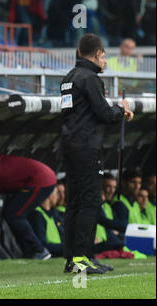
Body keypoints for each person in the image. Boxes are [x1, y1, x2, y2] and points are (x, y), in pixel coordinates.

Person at [60, 33, 134, 274]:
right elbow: (103, 113)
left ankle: (73, 259)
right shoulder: (90, 78)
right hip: (87, 148)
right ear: (98, 53)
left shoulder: (68, 78)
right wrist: (121, 110)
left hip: (69, 147)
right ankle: (83, 259)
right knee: (90, 202)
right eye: (104, 57)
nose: (105, 62)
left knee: (74, 203)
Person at [0, 153, 57, 259]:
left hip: (40, 180)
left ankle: (38, 250)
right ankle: (31, 251)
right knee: (14, 214)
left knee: (15, 214)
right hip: (43, 177)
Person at [29, 186, 64, 257]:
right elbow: (42, 244)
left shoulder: (53, 213)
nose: (58, 197)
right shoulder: (37, 214)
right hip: (51, 252)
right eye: (57, 193)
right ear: (49, 194)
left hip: (58, 250)